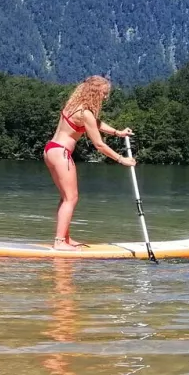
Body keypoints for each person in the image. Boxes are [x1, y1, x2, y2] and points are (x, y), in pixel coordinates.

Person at [43, 75, 135, 250]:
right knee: (72, 198)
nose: (106, 97)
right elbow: (99, 144)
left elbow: (96, 123)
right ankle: (60, 242)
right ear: (95, 92)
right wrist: (121, 159)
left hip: (50, 150)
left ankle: (65, 238)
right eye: (104, 93)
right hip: (61, 153)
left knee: (66, 198)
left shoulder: (73, 105)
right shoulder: (85, 113)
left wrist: (118, 132)